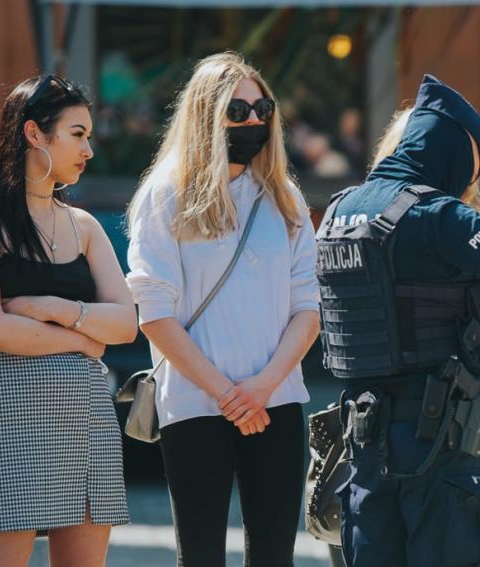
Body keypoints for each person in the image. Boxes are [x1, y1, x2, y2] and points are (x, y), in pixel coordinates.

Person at [316, 74, 480, 566]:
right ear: (452, 155)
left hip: (365, 445)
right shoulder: (435, 213)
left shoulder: (338, 212)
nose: (470, 187)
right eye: (472, 173)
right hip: (442, 446)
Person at [125, 52, 320, 567]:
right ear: (207, 115)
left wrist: (262, 388)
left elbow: (309, 307)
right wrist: (228, 395)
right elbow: (154, 313)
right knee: (202, 556)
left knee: (276, 556)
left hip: (275, 401)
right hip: (194, 403)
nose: (255, 120)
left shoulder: (285, 199)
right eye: (238, 110)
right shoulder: (165, 195)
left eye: (263, 108)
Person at [0, 75, 137, 567]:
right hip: (7, 413)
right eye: (77, 134)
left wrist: (54, 310)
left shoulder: (85, 225)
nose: (88, 149)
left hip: (86, 418)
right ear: (34, 133)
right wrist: (83, 340)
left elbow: (126, 325)